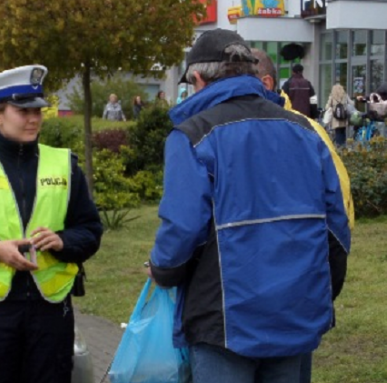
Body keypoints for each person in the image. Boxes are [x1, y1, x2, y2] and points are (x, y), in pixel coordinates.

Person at [148, 29, 350, 383]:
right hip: (294, 313)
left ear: (197, 78)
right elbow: (336, 227)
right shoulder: (305, 130)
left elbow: (181, 230)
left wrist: (162, 271)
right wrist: (318, 291)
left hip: (224, 323)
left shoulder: (192, 135)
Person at [0, 65, 103, 383]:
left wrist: (64, 241)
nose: (34, 118)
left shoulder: (64, 164)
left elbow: (91, 230)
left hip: (50, 312)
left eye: (38, 110)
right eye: (23, 110)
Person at [252, 47, 355, 383]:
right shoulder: (228, 129)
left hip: (292, 296)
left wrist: (324, 288)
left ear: (266, 82)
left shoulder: (307, 132)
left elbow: (339, 212)